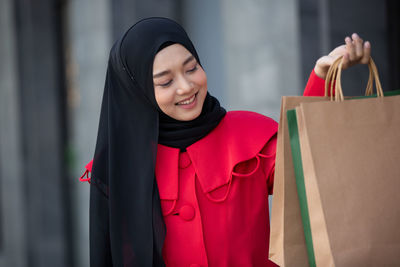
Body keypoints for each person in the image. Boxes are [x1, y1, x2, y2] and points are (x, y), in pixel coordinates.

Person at [80, 17, 371, 267]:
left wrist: (323, 77)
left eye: (191, 68)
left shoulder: (247, 133)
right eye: (165, 82)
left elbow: (305, 163)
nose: (186, 86)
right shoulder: (120, 168)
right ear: (137, 91)